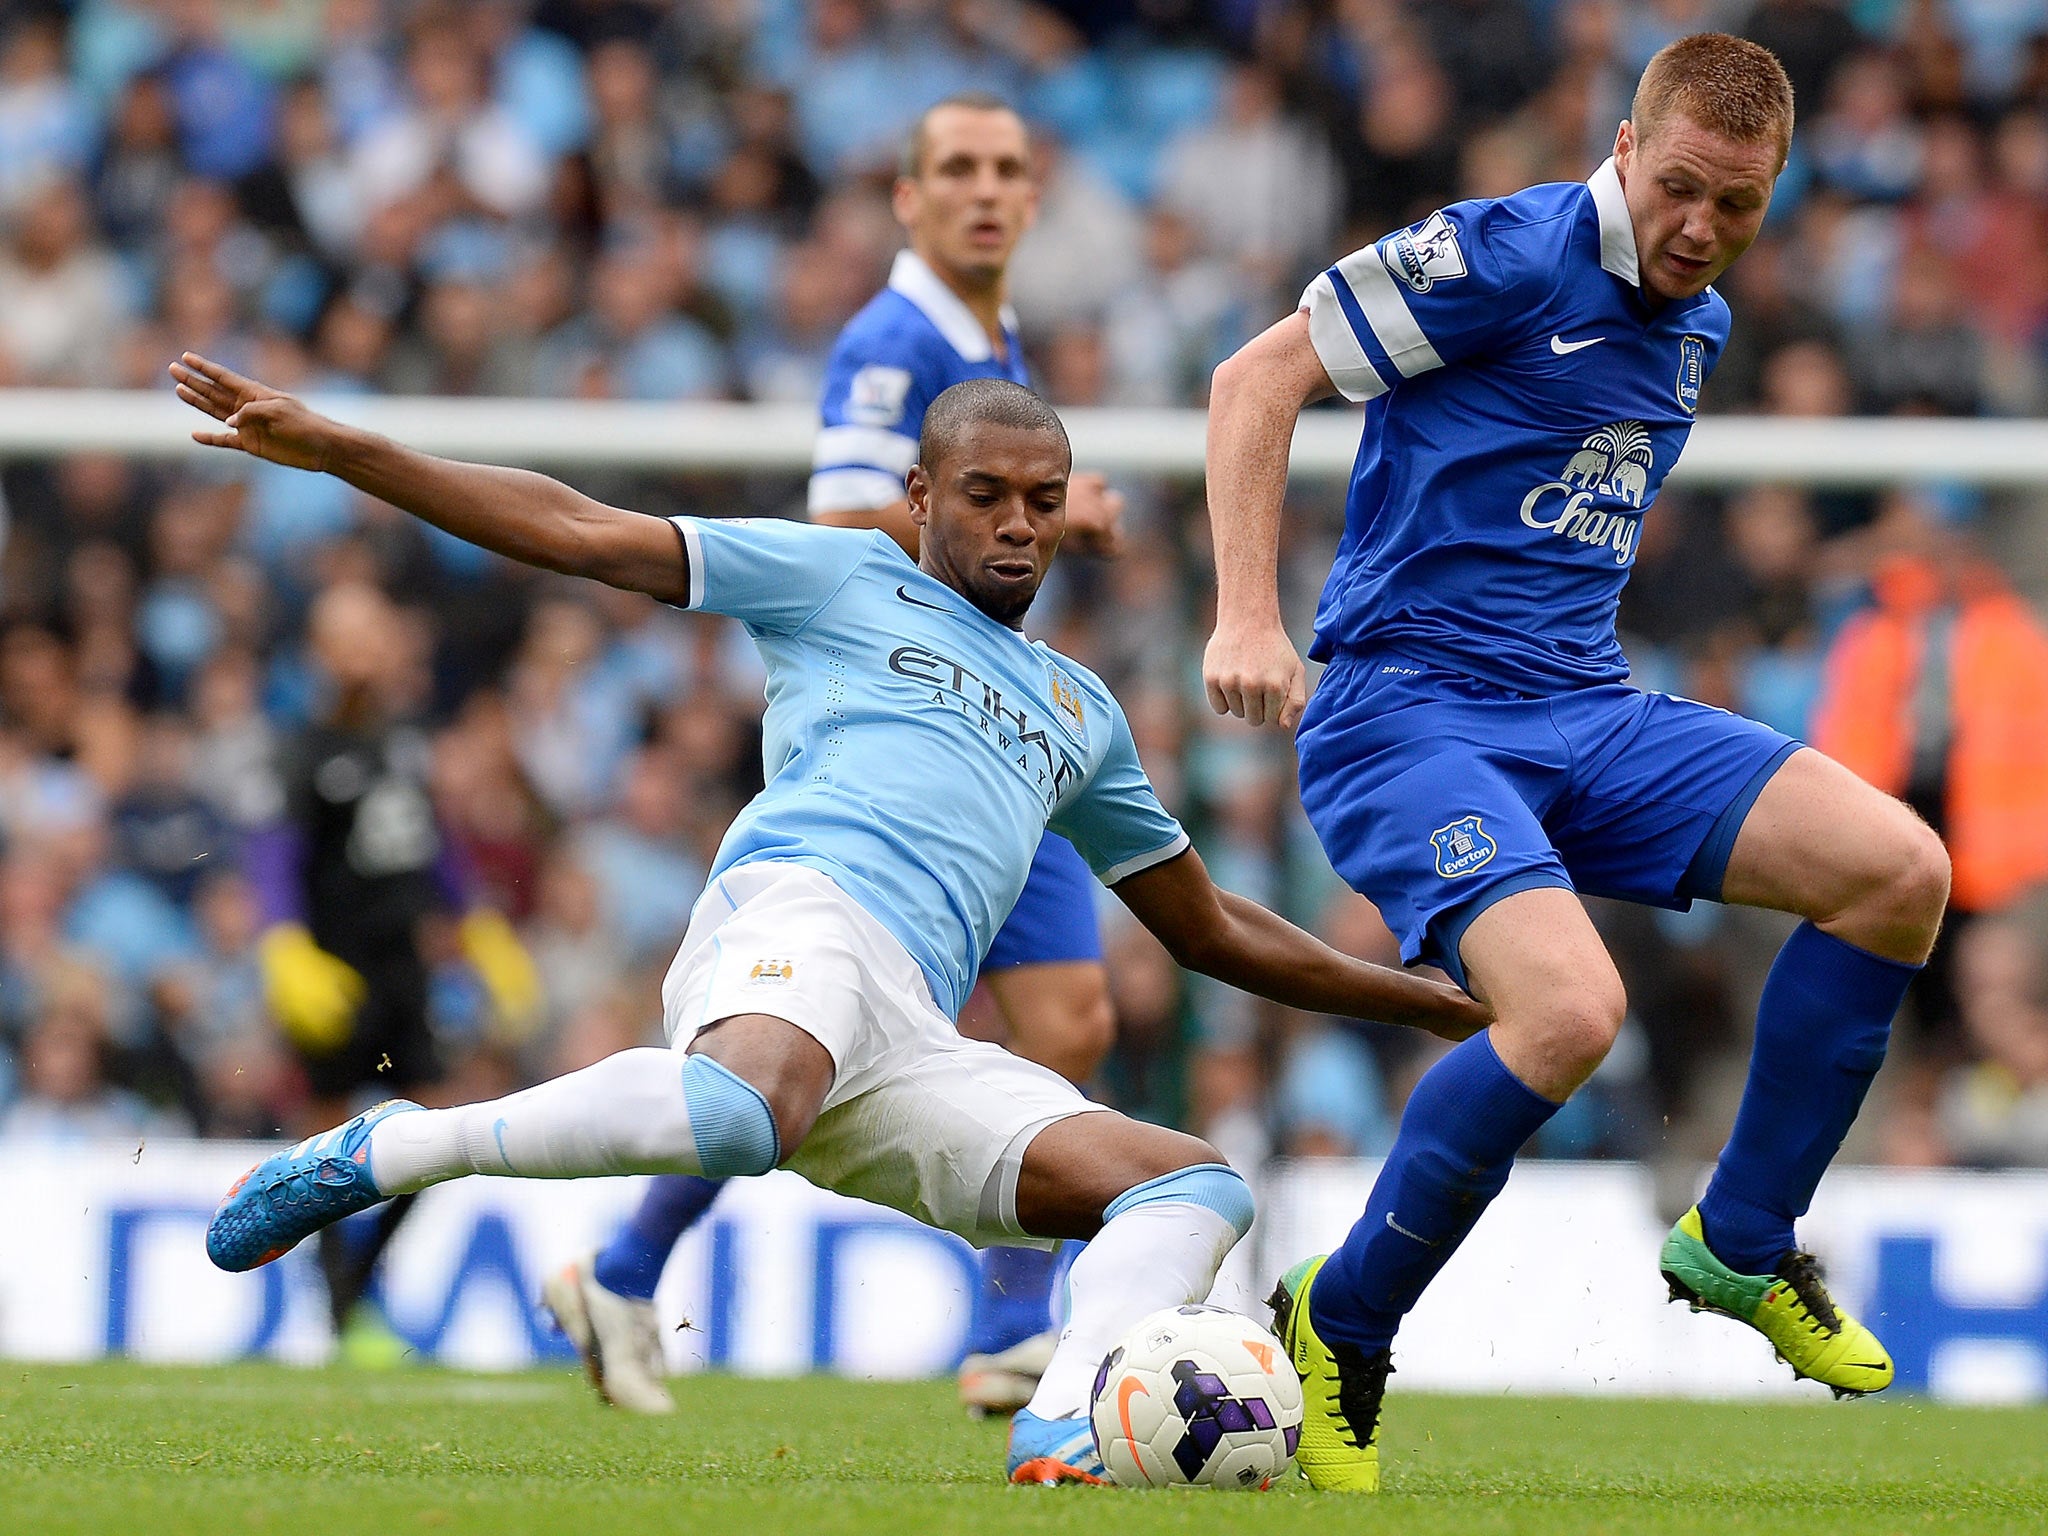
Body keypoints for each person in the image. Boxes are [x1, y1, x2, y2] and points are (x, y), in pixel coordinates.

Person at [179, 357, 1490, 1485]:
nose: (1019, 526)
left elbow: (1207, 931)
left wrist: (1418, 997)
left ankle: (1062, 1422)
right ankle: (397, 1149)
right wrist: (345, 450)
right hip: (798, 912)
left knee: (1195, 1186)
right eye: (984, 495)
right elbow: (579, 530)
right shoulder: (840, 576)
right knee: (741, 1115)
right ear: (921, 496)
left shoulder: (1080, 711)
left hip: (910, 1025)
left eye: (1042, 501)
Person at [1200, 34, 1950, 1492]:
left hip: (1585, 711)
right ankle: (1339, 1320)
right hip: (1408, 717)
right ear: (1623, 147)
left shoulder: (1698, 320)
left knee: (1897, 872)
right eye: (1679, 189)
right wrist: (1245, 614)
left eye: (1737, 204)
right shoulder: (1499, 255)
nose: (1700, 228)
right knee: (1569, 1012)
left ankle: (1740, 1241)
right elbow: (1254, 378)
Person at [552, 91, 1130, 1418]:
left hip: (988, 725)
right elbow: (836, 518)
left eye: (1006, 169)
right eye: (957, 169)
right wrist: (1054, 515)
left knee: (1065, 1018)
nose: (985, 190)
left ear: (1033, 197)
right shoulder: (892, 339)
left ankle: (640, 1272)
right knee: (833, 1046)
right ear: (906, 199)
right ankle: (1009, 1324)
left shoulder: (988, 336)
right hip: (911, 737)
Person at [246, 579, 540, 1362]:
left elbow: (436, 847)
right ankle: (340, 1309)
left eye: (373, 635)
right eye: (348, 637)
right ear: (320, 652)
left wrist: (480, 930)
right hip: (334, 974)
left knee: (434, 1136)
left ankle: (355, 1286)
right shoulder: (299, 749)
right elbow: (274, 856)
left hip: (404, 969)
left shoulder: (407, 741)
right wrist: (284, 944)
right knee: (325, 1144)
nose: (364, 652)